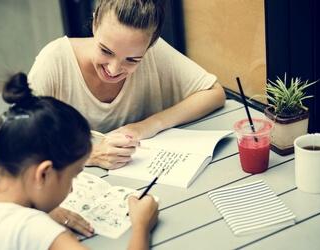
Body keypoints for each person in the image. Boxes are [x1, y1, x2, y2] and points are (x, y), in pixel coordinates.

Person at [0, 73, 159, 250]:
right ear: (44, 173)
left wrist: (46, 211)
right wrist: (142, 226)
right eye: (72, 176)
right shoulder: (34, 229)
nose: (71, 190)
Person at [28, 0, 226, 170]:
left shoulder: (154, 54)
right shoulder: (54, 61)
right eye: (106, 51)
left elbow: (214, 92)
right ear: (95, 23)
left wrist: (148, 126)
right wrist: (90, 155)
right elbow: (20, 144)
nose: (114, 70)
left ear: (150, 45)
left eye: (132, 60)